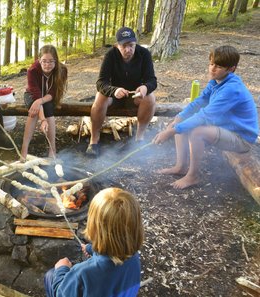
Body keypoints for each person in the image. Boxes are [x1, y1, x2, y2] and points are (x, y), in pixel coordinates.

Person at [153, 45, 258, 189]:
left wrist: (171, 131)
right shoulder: (216, 81)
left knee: (197, 131)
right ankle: (180, 166)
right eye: (211, 64)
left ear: (231, 69)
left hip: (241, 137)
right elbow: (199, 101)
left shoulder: (231, 89)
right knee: (181, 121)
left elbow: (204, 116)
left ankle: (192, 176)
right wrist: (179, 118)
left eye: (219, 66)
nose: (212, 69)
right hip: (224, 128)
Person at [44, 187, 144, 297]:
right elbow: (113, 250)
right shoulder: (134, 258)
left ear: (94, 227)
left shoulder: (82, 273)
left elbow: (61, 294)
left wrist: (61, 269)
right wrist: (90, 249)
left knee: (50, 275)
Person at [86, 27, 157, 158]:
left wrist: (145, 87)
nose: (128, 49)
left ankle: (139, 139)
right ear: (117, 45)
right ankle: (94, 141)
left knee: (150, 97)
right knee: (100, 96)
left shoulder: (144, 54)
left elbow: (152, 80)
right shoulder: (110, 55)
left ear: (135, 44)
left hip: (135, 96)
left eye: (131, 45)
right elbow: (101, 83)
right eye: (124, 46)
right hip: (114, 97)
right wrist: (114, 90)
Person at [20, 45, 68, 160]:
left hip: (48, 97)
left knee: (48, 108)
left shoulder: (62, 70)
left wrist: (40, 102)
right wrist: (43, 120)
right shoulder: (32, 71)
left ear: (56, 61)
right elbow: (35, 95)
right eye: (44, 61)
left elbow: (52, 93)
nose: (47, 65)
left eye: (51, 61)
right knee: (34, 110)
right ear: (39, 60)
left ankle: (52, 149)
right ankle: (24, 149)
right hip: (31, 94)